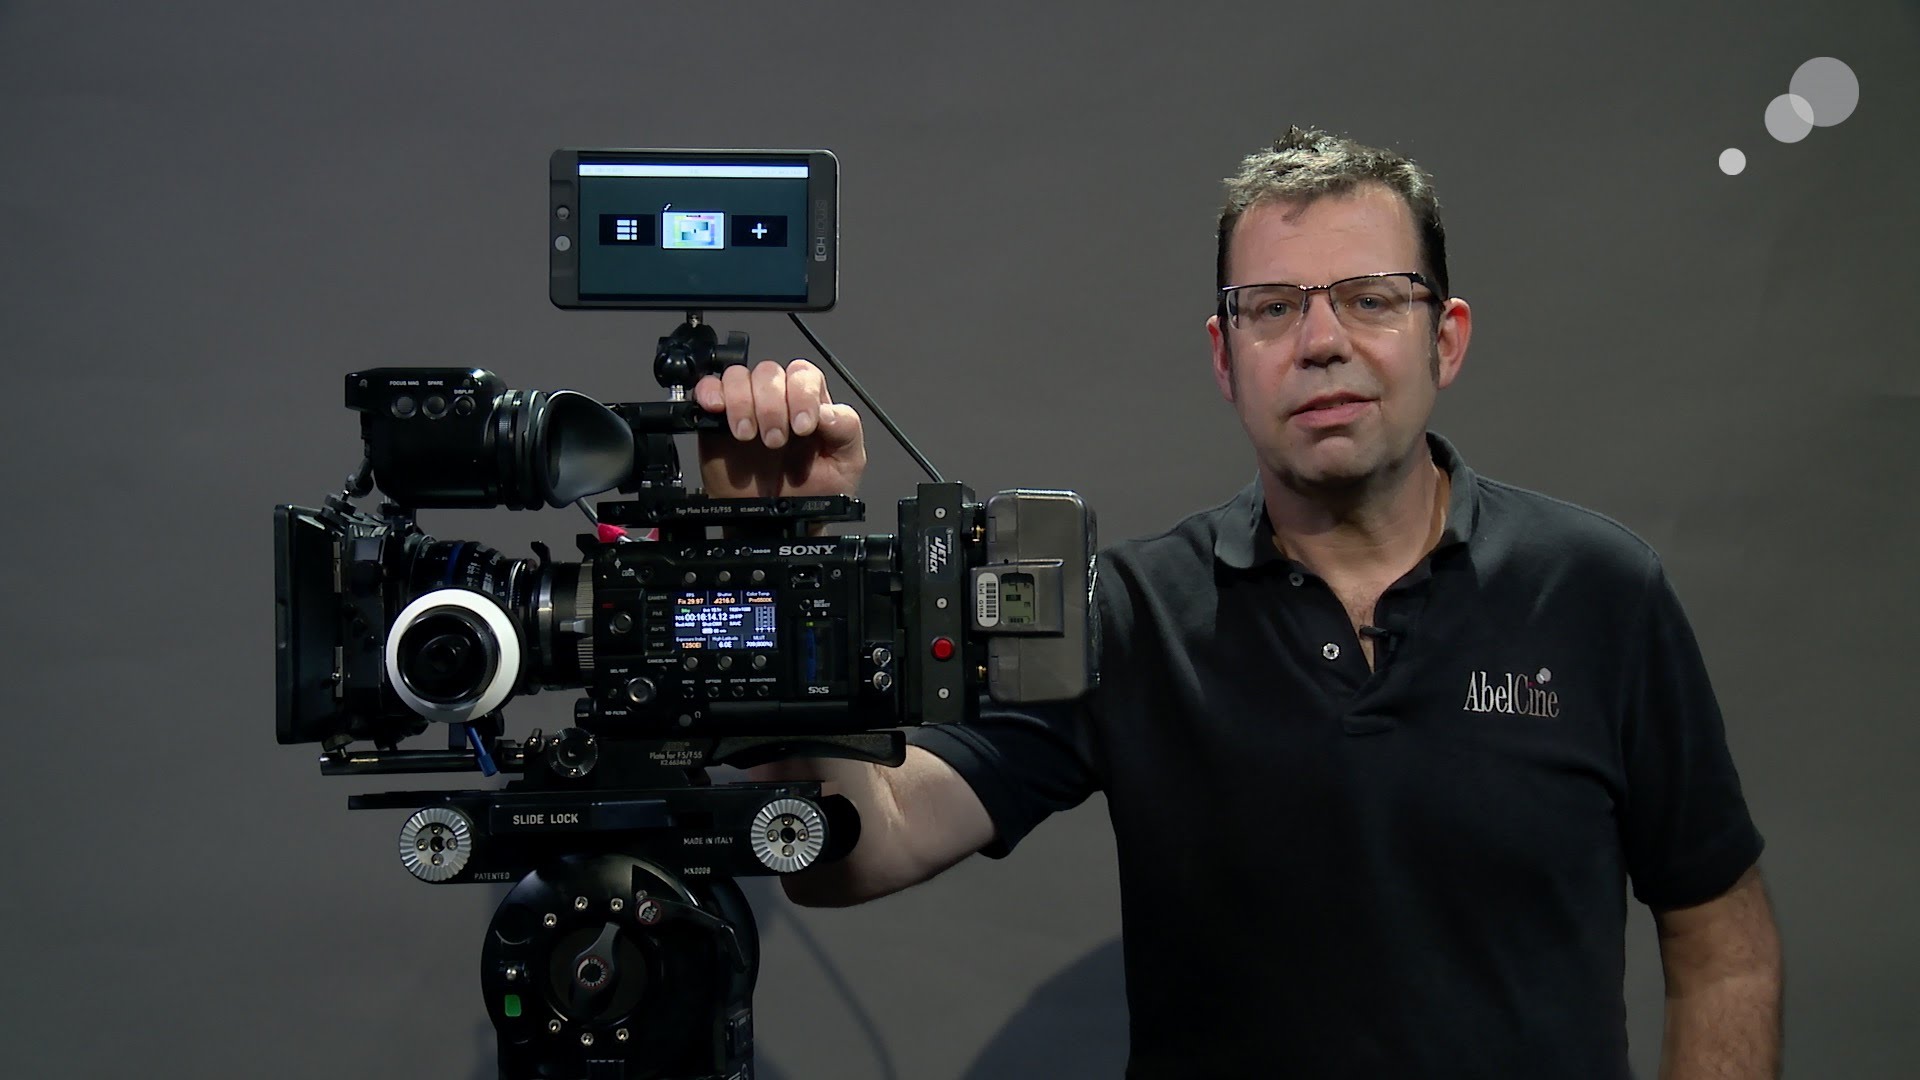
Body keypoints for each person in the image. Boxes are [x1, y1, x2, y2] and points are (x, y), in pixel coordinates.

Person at [692, 126, 1783, 1078]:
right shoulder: (1129, 615)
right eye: (1273, 308)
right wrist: (776, 555)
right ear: (1226, 357)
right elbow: (861, 847)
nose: (1322, 341)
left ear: (1444, 338)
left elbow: (1723, 939)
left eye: (1371, 299)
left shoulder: (1597, 590)